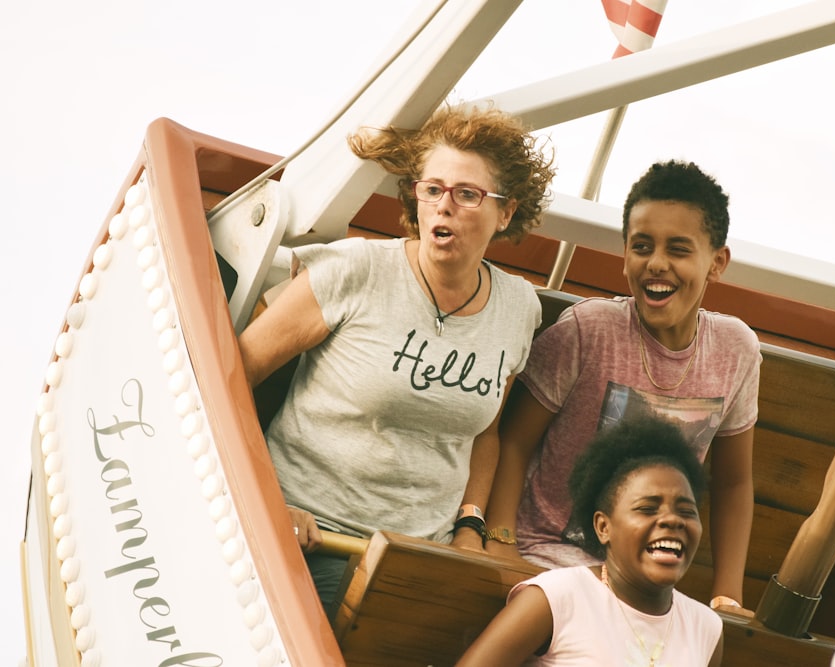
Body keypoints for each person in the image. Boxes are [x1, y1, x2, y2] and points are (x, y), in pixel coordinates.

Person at [238, 104, 556, 615]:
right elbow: (230, 376)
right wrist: (265, 496)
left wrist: (470, 526)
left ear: (507, 212)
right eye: (432, 189)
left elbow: (486, 432)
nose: (443, 206)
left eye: (467, 194)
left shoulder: (519, 308)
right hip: (308, 536)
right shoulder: (357, 269)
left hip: (418, 560)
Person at [484, 160, 760, 611]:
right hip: (549, 562)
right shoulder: (588, 330)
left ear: (717, 262)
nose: (657, 263)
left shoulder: (736, 351)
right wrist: (501, 545)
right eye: (642, 246)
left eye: (679, 249)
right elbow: (513, 441)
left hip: (645, 584)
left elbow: (733, 482)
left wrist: (727, 595)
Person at [459, 417, 724, 666]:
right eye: (648, 508)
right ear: (603, 527)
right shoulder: (556, 598)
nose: (672, 521)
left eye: (687, 512)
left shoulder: (707, 628)